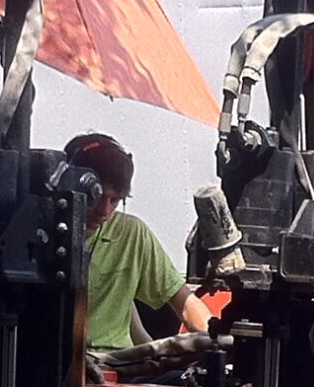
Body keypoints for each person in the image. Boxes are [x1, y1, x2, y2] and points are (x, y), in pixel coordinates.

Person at [65, 133, 212, 351]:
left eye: (115, 200)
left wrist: (220, 345)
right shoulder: (43, 235)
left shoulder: (132, 234)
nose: (105, 210)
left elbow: (186, 304)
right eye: (95, 197)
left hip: (118, 369)